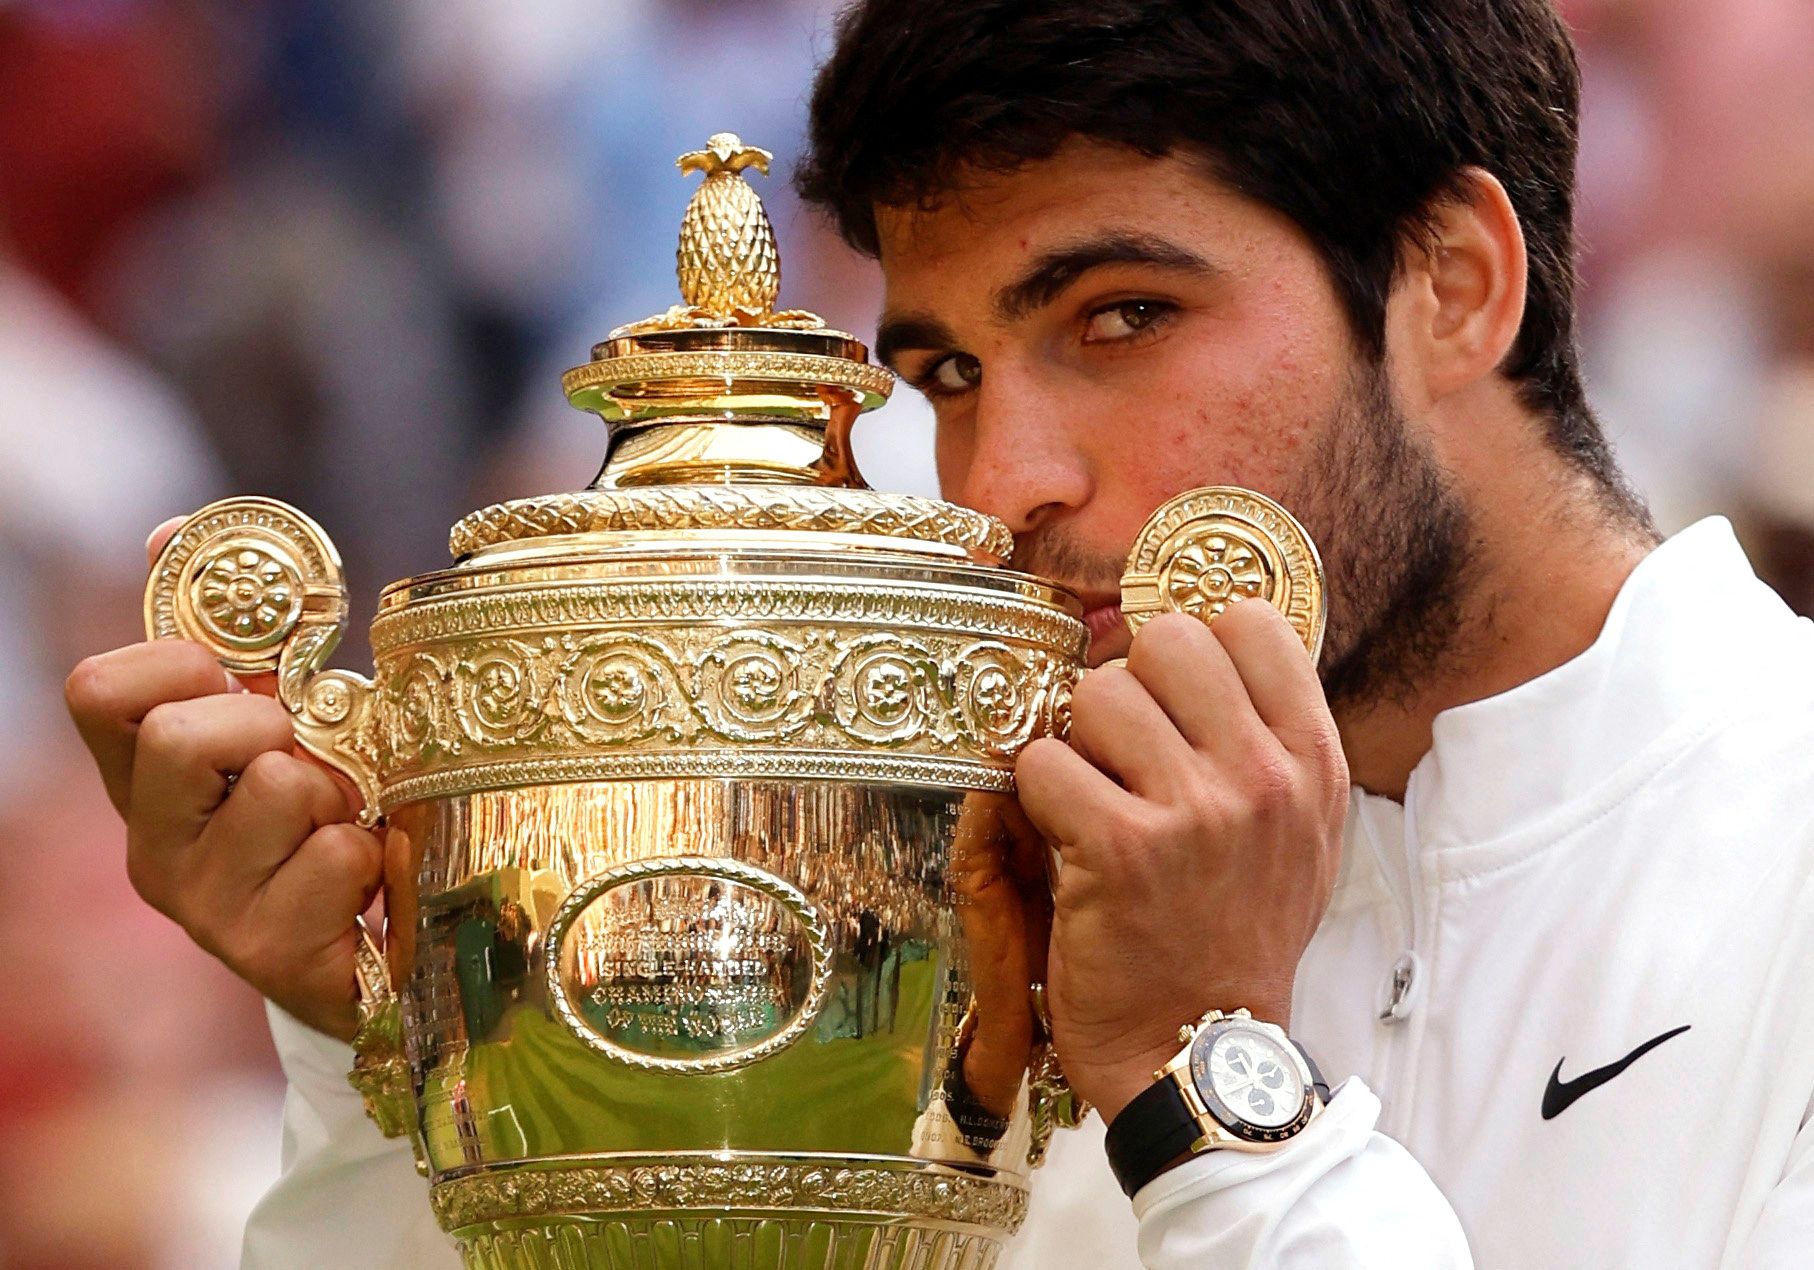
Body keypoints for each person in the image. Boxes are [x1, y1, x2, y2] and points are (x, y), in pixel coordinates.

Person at [64, 1, 1814, 1265]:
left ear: (1453, 283)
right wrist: (402, 1042)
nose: (1003, 483)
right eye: (949, 370)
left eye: (1121, 316)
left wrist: (1210, 1086)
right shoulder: (983, 868)